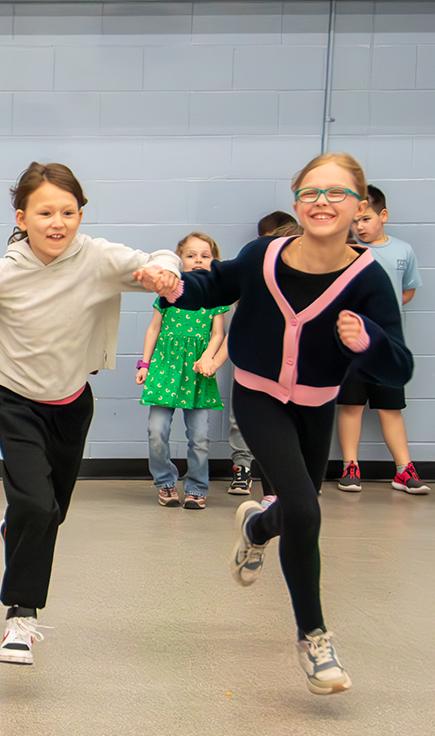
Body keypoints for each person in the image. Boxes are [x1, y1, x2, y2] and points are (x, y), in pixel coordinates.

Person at [137, 153, 413, 695]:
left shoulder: (369, 280)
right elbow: (212, 286)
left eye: (336, 194)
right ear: (296, 203)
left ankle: (256, 527)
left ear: (360, 207)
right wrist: (172, 286)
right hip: (259, 397)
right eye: (310, 193)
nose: (322, 203)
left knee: (293, 508)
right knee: (308, 508)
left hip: (316, 405)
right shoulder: (265, 255)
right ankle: (314, 636)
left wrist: (369, 342)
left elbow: (399, 365)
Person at [0, 162, 180, 666]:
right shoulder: (1, 272)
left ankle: (17, 526)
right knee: (37, 507)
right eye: (45, 213)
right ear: (23, 216)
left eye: (68, 212)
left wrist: (164, 272)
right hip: (15, 402)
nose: (57, 222)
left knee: (49, 514)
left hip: (73, 404)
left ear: (81, 214)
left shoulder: (99, 258)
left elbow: (159, 259)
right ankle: (21, 618)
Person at [336, 185, 428, 494]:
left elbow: (409, 290)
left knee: (391, 407)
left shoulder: (403, 251)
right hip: (351, 347)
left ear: (383, 216)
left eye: (366, 219)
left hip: (387, 345)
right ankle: (351, 466)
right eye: (354, 222)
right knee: (351, 405)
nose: (359, 227)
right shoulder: (345, 251)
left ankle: (403, 469)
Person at [137, 232, 229, 510]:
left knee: (199, 437)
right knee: (157, 431)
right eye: (191, 255)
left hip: (198, 373)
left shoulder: (215, 296)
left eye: (205, 255)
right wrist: (144, 363)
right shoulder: (168, 294)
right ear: (179, 262)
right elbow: (154, 328)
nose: (198, 260)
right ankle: (165, 482)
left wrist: (208, 357)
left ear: (214, 261)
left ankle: (197, 488)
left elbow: (218, 334)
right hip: (165, 370)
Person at [227, 215, 304, 496]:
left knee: (286, 423)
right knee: (248, 418)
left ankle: (281, 486)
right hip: (256, 364)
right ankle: (244, 469)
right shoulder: (255, 267)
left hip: (291, 368)